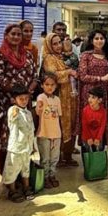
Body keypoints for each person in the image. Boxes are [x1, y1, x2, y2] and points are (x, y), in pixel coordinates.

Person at [0, 23, 39, 173]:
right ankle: (7, 174)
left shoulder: (28, 55)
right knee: (8, 137)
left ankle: (22, 173)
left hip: (25, 102)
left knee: (24, 135)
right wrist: (18, 93)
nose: (16, 37)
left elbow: (35, 76)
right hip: (8, 102)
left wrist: (29, 90)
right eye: (13, 34)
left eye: (19, 34)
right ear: (6, 35)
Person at [41, 32, 78, 167]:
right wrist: (68, 72)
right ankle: (58, 157)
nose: (58, 46)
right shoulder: (49, 58)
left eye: (59, 43)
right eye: (54, 43)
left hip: (71, 96)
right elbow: (53, 76)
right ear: (48, 45)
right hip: (59, 97)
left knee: (71, 123)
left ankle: (68, 155)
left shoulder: (63, 57)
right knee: (61, 125)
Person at [2, 85, 36, 203]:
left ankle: (26, 187)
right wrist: (15, 112)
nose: (24, 101)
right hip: (16, 147)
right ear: (14, 100)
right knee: (12, 169)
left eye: (26, 98)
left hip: (27, 147)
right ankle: (12, 190)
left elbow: (32, 129)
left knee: (25, 168)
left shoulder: (28, 112)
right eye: (21, 99)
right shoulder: (13, 110)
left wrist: (33, 146)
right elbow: (12, 119)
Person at [78, 30, 108, 143]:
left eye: (101, 38)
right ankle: (87, 149)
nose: (99, 41)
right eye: (96, 38)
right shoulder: (86, 55)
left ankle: (99, 150)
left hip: (103, 93)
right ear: (92, 41)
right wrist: (100, 78)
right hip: (90, 93)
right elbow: (82, 76)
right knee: (88, 119)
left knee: (101, 120)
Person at [37, 73, 63, 189]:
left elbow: (59, 116)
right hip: (44, 133)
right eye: (47, 84)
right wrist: (40, 107)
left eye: (52, 85)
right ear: (42, 85)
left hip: (56, 134)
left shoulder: (57, 99)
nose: (50, 87)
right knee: (45, 158)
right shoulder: (41, 98)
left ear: (56, 86)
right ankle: (45, 177)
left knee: (54, 158)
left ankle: (52, 175)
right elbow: (38, 111)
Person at [81, 86, 107, 152]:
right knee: (86, 153)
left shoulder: (103, 111)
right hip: (87, 137)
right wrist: (88, 138)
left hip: (97, 137)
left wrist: (98, 138)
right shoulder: (85, 110)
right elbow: (84, 126)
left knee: (98, 152)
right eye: (89, 96)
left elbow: (102, 126)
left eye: (93, 97)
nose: (90, 99)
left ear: (99, 100)